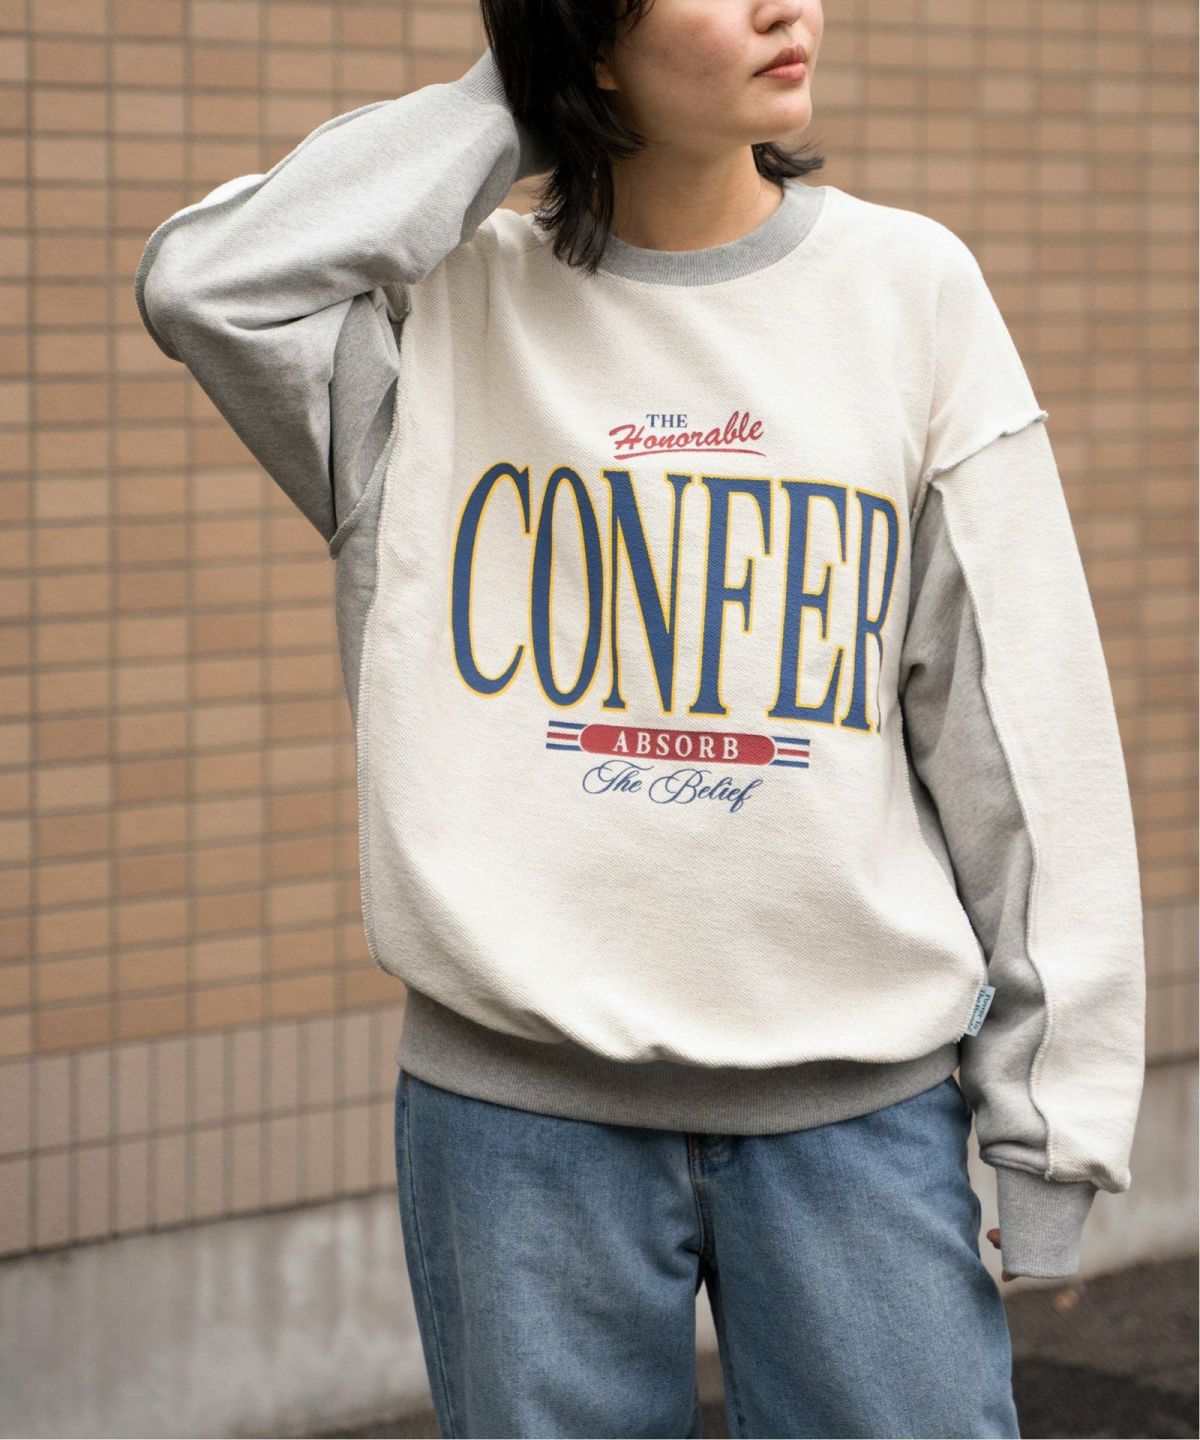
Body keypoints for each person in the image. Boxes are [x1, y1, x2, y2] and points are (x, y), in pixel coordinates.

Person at [133, 0, 1147, 1434]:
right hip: (516, 1130)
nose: (786, 7)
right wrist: (514, 97)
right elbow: (207, 285)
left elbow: (1022, 729)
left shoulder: (908, 292)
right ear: (590, 33)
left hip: (860, 1118)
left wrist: (1053, 1125)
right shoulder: (437, 323)